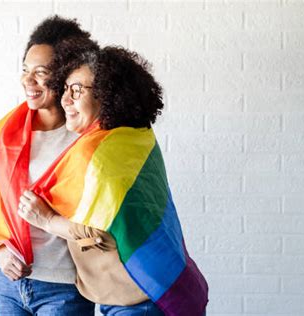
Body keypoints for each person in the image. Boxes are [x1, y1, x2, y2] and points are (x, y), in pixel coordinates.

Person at [17, 41, 209, 315]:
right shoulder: (135, 137)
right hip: (155, 284)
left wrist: (45, 219)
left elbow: (98, 234)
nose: (65, 99)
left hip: (137, 297)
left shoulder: (97, 154)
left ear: (106, 95)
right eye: (66, 89)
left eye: (77, 90)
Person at [0, 16, 96, 315]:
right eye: (25, 70)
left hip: (64, 287)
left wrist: (47, 217)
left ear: (66, 75)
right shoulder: (3, 136)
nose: (28, 81)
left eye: (41, 72)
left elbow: (102, 219)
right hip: (5, 282)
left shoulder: (88, 138)